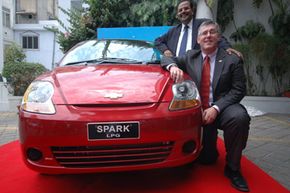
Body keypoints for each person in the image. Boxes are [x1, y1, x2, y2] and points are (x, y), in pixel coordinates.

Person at [161, 20, 251, 192]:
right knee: (207, 159)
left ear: (219, 37)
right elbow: (165, 58)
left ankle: (233, 169)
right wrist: (172, 66)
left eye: (212, 32)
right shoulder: (190, 56)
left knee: (239, 118)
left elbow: (239, 90)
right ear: (198, 39)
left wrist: (216, 108)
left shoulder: (232, 59)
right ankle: (204, 150)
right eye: (204, 33)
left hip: (222, 108)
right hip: (197, 111)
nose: (208, 36)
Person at [154, 0, 242, 58]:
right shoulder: (173, 31)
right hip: (177, 71)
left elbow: (217, 37)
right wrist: (165, 50)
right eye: (180, 10)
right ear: (177, 15)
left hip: (199, 72)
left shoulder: (203, 25)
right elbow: (158, 41)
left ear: (192, 11)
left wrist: (227, 48)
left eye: (186, 8)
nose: (183, 11)